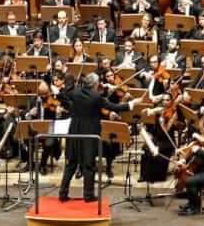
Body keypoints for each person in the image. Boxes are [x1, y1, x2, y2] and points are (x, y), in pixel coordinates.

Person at [57, 73, 141, 202]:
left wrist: (70, 79)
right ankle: (88, 195)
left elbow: (65, 91)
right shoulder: (96, 97)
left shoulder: (75, 92)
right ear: (95, 84)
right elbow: (113, 107)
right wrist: (131, 104)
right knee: (88, 165)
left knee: (71, 163)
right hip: (89, 132)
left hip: (74, 131)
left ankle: (62, 194)